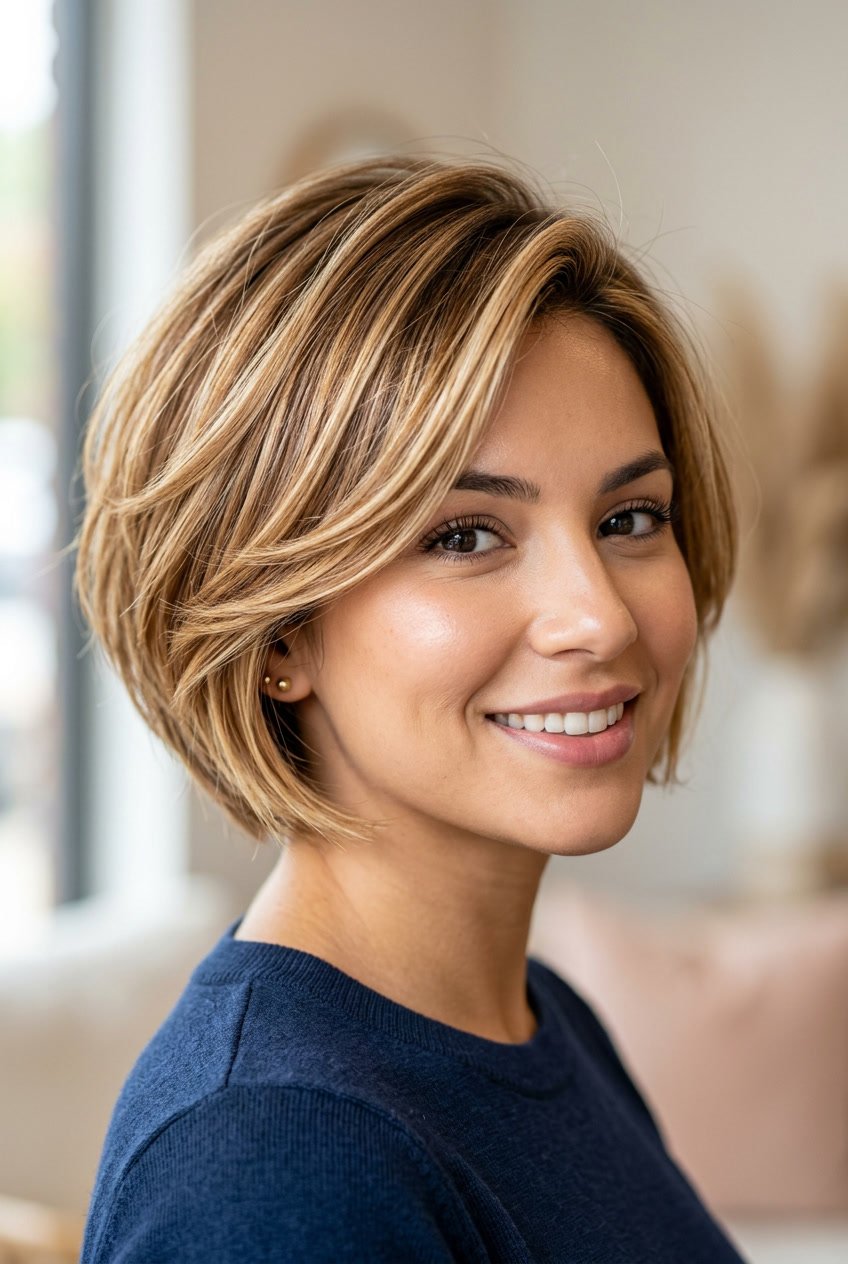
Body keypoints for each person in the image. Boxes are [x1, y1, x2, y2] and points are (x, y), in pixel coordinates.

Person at [75, 154, 747, 1262]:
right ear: (279, 630)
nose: (596, 617)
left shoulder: (534, 1022)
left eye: (629, 517)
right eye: (465, 535)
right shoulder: (273, 1161)